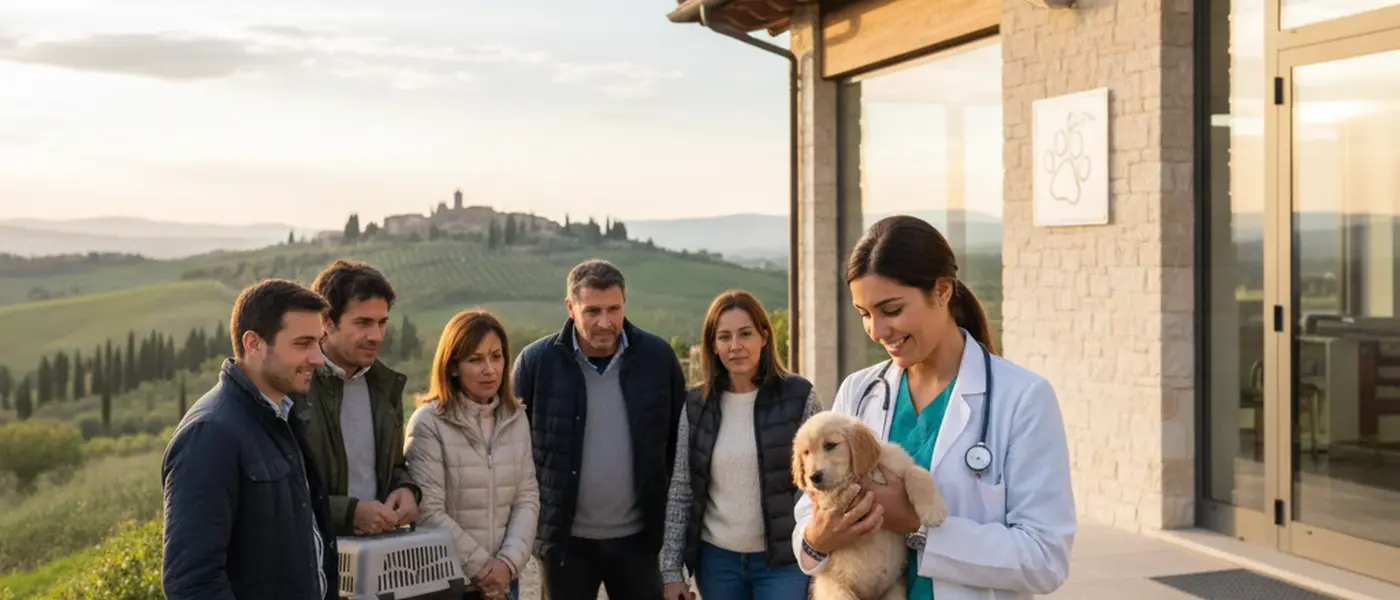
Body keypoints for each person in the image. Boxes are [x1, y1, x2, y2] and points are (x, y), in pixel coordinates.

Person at [791, 215, 1076, 600]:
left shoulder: (1022, 398)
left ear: (942, 292)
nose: (876, 330)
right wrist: (814, 539)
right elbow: (810, 516)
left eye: (891, 310)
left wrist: (916, 525)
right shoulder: (859, 392)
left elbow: (1045, 559)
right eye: (864, 314)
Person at [512, 259, 687, 600]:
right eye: (592, 310)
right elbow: (515, 452)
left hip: (640, 542)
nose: (605, 322)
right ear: (570, 307)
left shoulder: (658, 358)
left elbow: (676, 446)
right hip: (564, 546)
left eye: (614, 309)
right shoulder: (536, 363)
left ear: (625, 304)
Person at [162, 279, 338, 600]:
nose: (317, 358)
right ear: (254, 344)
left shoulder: (283, 415)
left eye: (319, 342)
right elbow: (193, 582)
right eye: (303, 344)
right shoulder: (210, 434)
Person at [661, 290, 819, 600]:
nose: (736, 346)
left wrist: (818, 562)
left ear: (763, 336)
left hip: (785, 562)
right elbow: (681, 490)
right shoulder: (695, 406)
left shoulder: (800, 397)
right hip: (718, 563)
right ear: (713, 346)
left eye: (745, 334)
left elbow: (815, 491)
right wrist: (671, 572)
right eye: (724, 337)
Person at [405, 309, 537, 600]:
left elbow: (526, 497)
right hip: (446, 584)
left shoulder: (516, 418)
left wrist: (507, 564)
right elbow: (428, 511)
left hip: (504, 582)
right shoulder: (429, 423)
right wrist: (484, 569)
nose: (489, 369)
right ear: (453, 366)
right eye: (475, 359)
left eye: (496, 356)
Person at [295, 259, 419, 537]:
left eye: (382, 323)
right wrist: (347, 514)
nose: (376, 335)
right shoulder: (295, 389)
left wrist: (406, 490)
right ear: (327, 322)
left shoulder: (386, 388)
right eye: (363, 323)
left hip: (376, 555)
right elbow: (282, 492)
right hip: (311, 555)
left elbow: (394, 467)